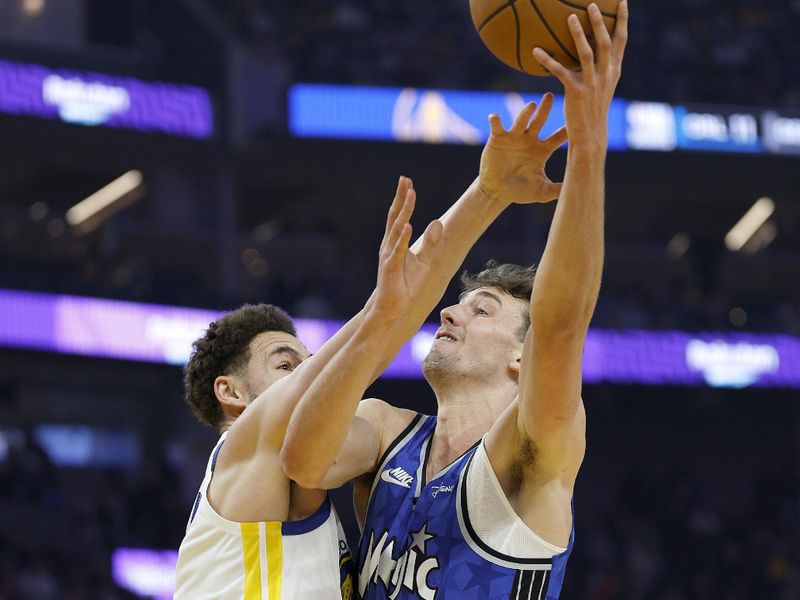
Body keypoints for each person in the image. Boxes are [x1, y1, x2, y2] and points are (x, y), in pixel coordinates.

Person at [280, 3, 629, 598]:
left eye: (483, 308)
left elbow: (561, 325)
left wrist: (588, 142)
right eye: (462, 302)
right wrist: (383, 315)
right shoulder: (387, 431)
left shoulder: (533, 451)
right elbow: (305, 461)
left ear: (521, 360)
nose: (448, 310)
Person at [174, 95, 568, 597]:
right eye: (286, 364)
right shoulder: (245, 447)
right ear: (231, 392)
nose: (314, 372)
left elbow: (376, 333)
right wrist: (486, 194)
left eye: (309, 360)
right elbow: (374, 338)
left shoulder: (316, 505)